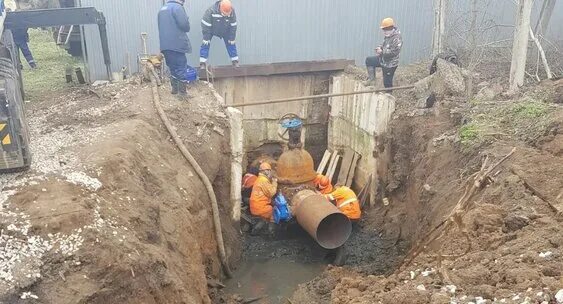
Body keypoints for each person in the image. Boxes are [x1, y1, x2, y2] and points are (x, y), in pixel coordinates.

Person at [158, 0, 192, 97]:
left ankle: (175, 90)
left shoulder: (162, 9)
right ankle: (182, 93)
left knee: (172, 66)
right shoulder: (177, 8)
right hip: (177, 44)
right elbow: (185, 26)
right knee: (181, 66)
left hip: (165, 45)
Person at [365, 17, 403, 91]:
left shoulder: (397, 38)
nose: (384, 32)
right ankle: (372, 80)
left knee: (387, 83)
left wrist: (382, 52)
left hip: (390, 64)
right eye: (383, 30)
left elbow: (394, 52)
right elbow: (384, 44)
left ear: (391, 28)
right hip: (383, 59)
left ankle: (389, 95)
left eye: (385, 30)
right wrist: (379, 48)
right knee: (369, 60)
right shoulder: (388, 35)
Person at [199, 0, 239, 69]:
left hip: (225, 30)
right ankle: (202, 63)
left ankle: (235, 61)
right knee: (205, 43)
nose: (226, 14)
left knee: (231, 43)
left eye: (227, 13)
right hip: (211, 29)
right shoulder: (211, 11)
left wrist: (232, 38)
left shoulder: (232, 11)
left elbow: (233, 25)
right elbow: (205, 25)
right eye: (224, 13)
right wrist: (206, 37)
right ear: (220, 8)